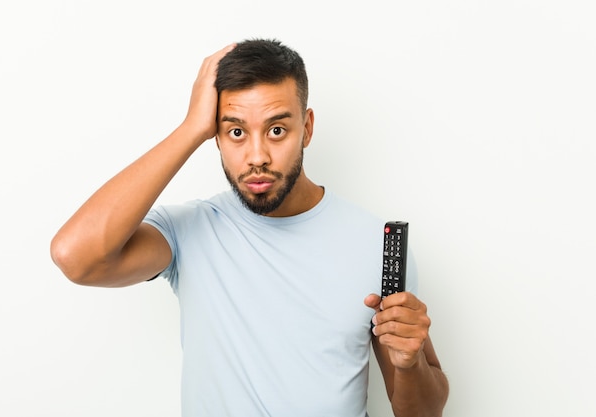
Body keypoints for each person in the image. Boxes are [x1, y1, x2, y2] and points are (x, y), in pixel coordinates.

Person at [50, 38, 449, 417]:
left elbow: (421, 411)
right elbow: (75, 257)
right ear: (216, 136)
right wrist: (190, 128)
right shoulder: (188, 231)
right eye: (236, 131)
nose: (256, 156)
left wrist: (411, 364)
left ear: (306, 129)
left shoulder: (375, 243)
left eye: (277, 130)